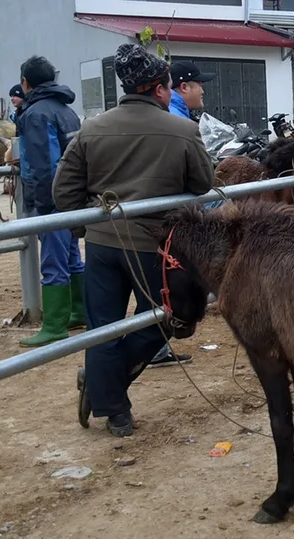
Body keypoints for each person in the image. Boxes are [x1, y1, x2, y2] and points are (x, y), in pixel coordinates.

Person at [53, 43, 215, 436]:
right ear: (160, 88)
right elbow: (203, 183)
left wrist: (86, 227)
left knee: (103, 325)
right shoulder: (183, 130)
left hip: (103, 245)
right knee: (162, 320)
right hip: (154, 247)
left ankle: (112, 406)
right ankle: (108, 394)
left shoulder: (91, 128)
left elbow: (63, 191)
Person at [12, 58, 87, 346]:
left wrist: (43, 204)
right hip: (71, 197)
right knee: (71, 257)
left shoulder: (35, 114)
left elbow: (45, 164)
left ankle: (54, 324)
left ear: (26, 83)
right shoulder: (65, 110)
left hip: (52, 199)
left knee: (53, 261)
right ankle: (77, 310)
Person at [147, 59, 212, 368]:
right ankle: (150, 347)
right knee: (166, 282)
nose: (203, 93)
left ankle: (154, 345)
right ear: (183, 87)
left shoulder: (174, 113)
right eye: (200, 86)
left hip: (155, 214)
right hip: (167, 217)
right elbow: (199, 178)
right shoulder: (175, 119)